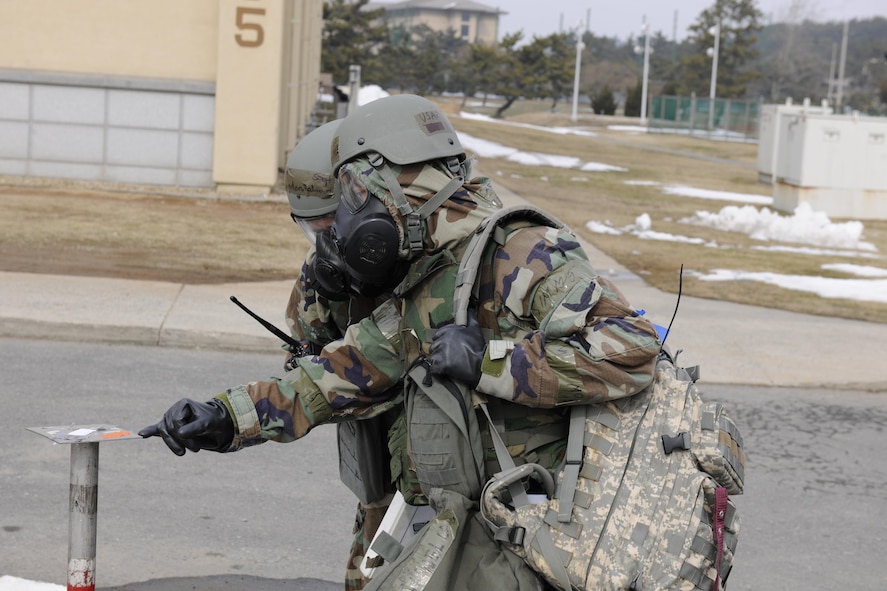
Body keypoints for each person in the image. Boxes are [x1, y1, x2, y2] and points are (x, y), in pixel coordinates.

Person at [140, 94, 662, 590]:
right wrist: (226, 417)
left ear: (398, 184)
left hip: (531, 530)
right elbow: (339, 374)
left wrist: (491, 362)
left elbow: (632, 347)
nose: (349, 215)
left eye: (358, 194)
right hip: (450, 519)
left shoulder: (523, 254)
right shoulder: (426, 276)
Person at [285, 119, 398, 591]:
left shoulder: (423, 257)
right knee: (367, 576)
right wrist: (311, 351)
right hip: (381, 473)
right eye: (312, 229)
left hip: (444, 469)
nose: (325, 241)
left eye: (330, 225)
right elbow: (301, 342)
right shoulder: (324, 270)